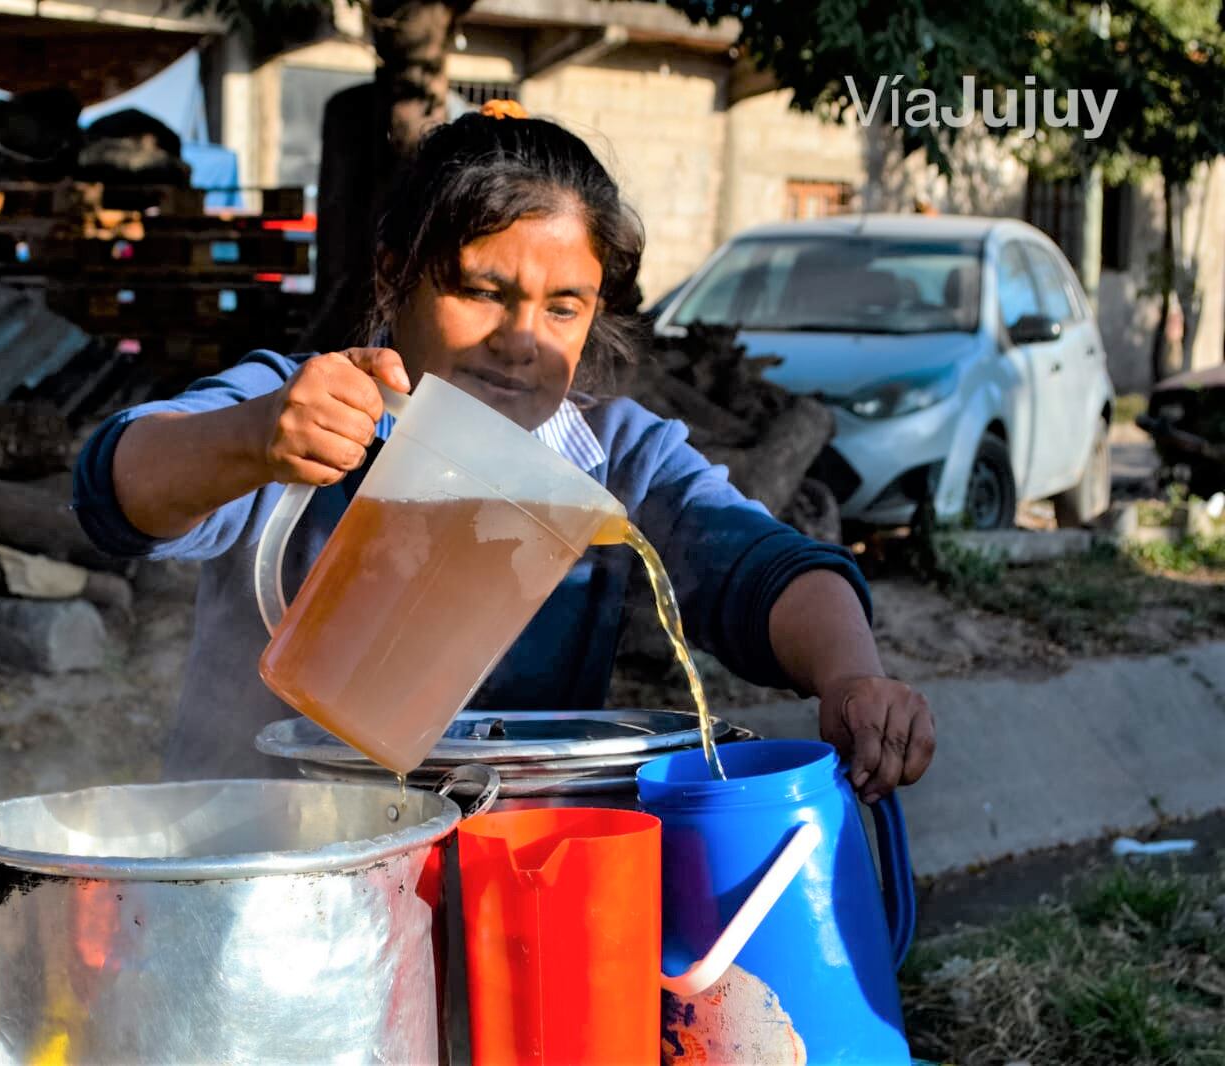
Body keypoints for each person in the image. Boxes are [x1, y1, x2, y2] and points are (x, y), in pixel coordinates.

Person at [73, 101, 935, 802]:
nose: (521, 341)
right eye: (483, 292)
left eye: (564, 307)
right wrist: (247, 439)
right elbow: (116, 486)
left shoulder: (615, 457)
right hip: (262, 867)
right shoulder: (301, 406)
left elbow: (764, 565)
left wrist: (852, 676)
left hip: (502, 890)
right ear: (393, 278)